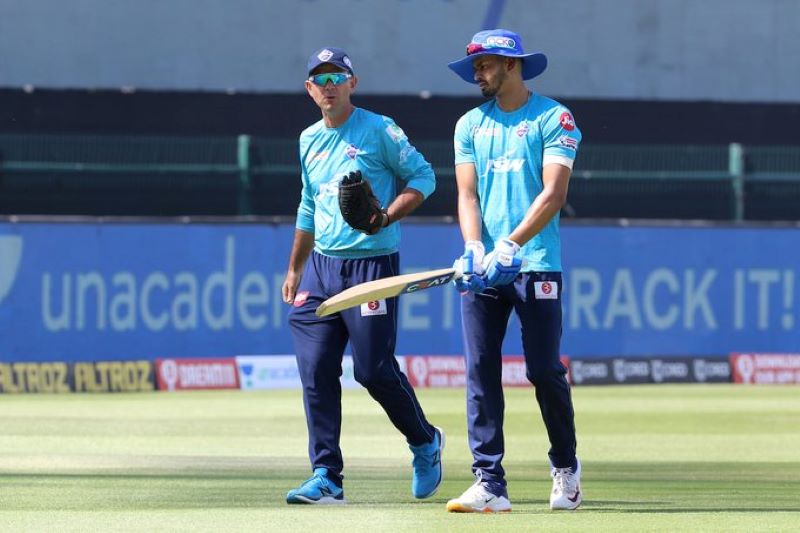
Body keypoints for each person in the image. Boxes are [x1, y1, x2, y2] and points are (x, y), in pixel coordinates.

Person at [281, 46, 443, 505]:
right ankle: (327, 476)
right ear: (309, 89)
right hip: (321, 267)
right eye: (320, 79)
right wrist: (295, 267)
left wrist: (385, 216)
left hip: (372, 264)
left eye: (337, 77)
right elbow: (308, 205)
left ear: (352, 83)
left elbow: (424, 177)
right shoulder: (308, 139)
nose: (329, 86)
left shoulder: (379, 129)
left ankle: (424, 440)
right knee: (315, 366)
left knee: (372, 371)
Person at [443, 29, 583, 513]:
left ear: (511, 65)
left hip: (535, 263)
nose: (477, 74)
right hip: (484, 271)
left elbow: (553, 194)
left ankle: (565, 467)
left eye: (484, 65)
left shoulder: (553, 117)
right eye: (475, 67)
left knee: (543, 370)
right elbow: (467, 195)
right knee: (480, 370)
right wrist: (473, 247)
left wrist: (511, 244)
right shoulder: (469, 125)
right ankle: (489, 482)